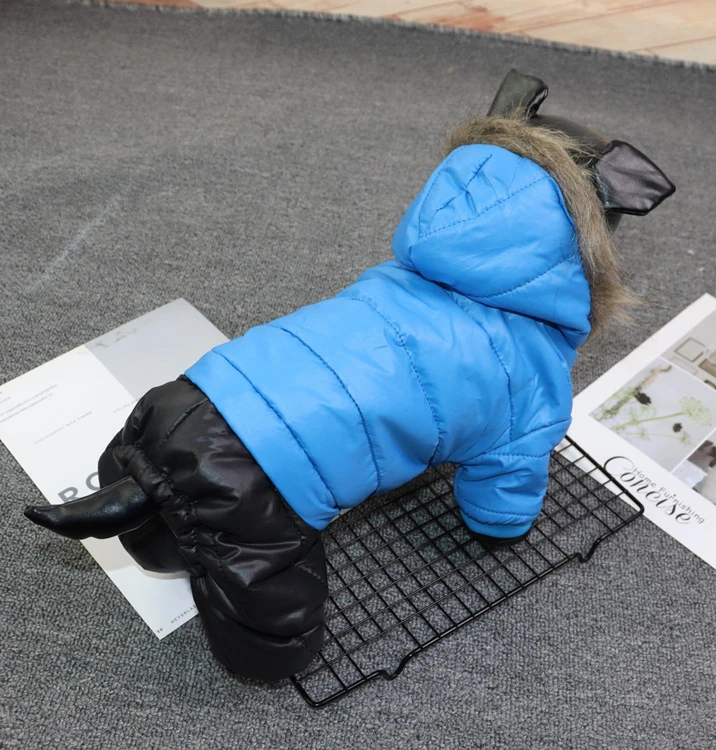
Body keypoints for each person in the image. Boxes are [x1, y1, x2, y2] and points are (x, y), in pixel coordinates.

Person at [25, 70, 675, 681]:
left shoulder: (392, 279)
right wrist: (501, 528)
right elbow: (508, 479)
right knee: (270, 611)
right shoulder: (531, 376)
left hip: (184, 401)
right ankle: (263, 654)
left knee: (158, 487)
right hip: (259, 477)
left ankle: (167, 539)